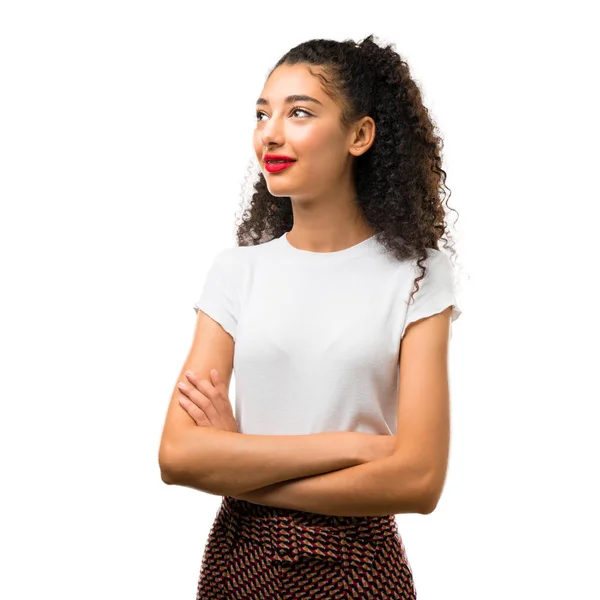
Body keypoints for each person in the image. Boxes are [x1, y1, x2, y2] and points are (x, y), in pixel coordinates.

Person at [159, 33, 462, 599]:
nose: (270, 132)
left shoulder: (418, 274)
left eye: (299, 112)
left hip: (359, 565)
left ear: (360, 135)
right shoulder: (236, 273)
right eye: (262, 114)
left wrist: (241, 465)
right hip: (241, 561)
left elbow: (419, 480)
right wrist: (351, 446)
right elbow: (178, 455)